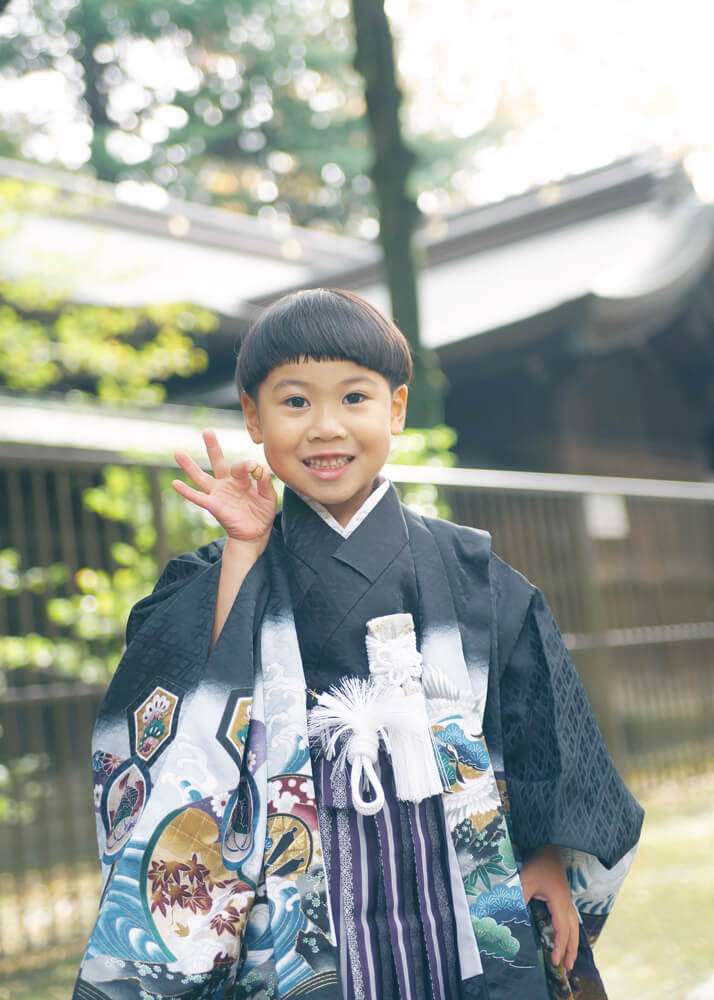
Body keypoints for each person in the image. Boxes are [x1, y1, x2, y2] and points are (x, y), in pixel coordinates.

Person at [73, 288, 643, 1000]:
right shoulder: (220, 573)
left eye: (353, 398)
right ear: (253, 416)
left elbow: (537, 729)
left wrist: (547, 852)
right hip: (297, 877)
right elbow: (198, 708)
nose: (325, 427)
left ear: (396, 409)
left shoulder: (471, 574)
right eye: (294, 403)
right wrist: (246, 550)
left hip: (455, 865)